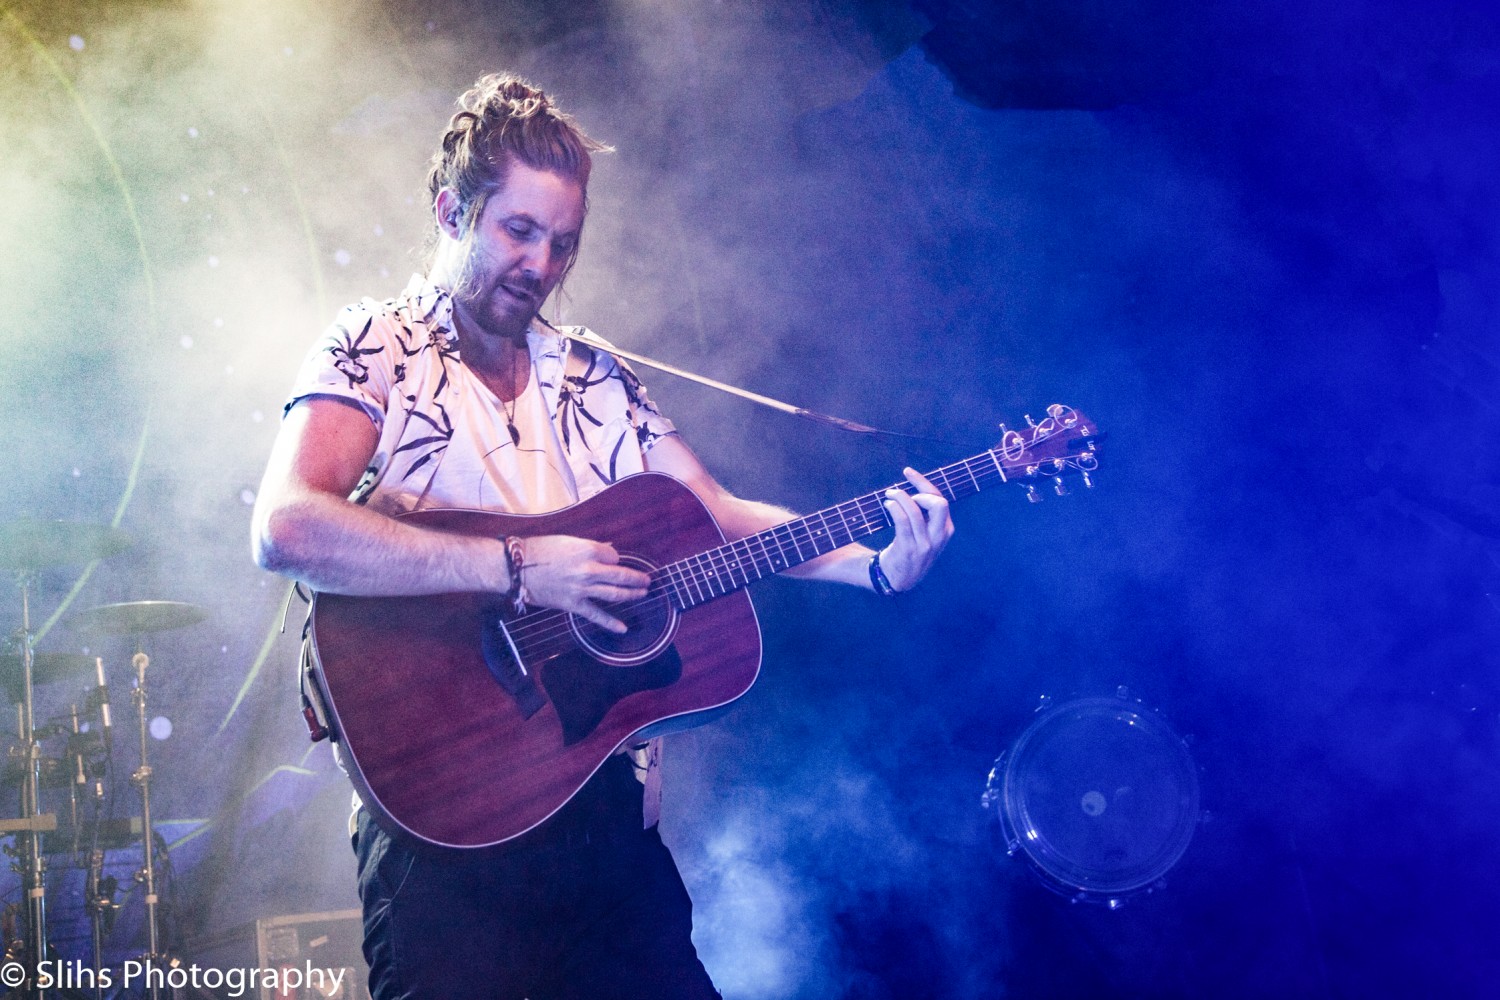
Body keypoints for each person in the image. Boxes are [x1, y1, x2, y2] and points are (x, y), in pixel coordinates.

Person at [250, 73, 953, 1000]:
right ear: (450, 210)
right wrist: (517, 569)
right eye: (518, 231)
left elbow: (717, 515)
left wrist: (872, 569)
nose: (541, 265)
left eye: (563, 243)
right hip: (440, 822)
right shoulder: (376, 344)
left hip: (597, 815)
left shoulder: (591, 377)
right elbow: (287, 524)